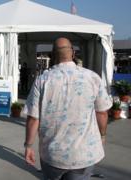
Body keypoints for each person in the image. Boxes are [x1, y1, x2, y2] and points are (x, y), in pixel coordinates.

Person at [24, 37, 112, 180]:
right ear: (72, 53)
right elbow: (102, 112)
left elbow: (33, 118)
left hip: (52, 155)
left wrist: (28, 146)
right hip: (83, 155)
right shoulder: (92, 77)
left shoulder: (42, 80)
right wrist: (102, 135)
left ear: (53, 55)